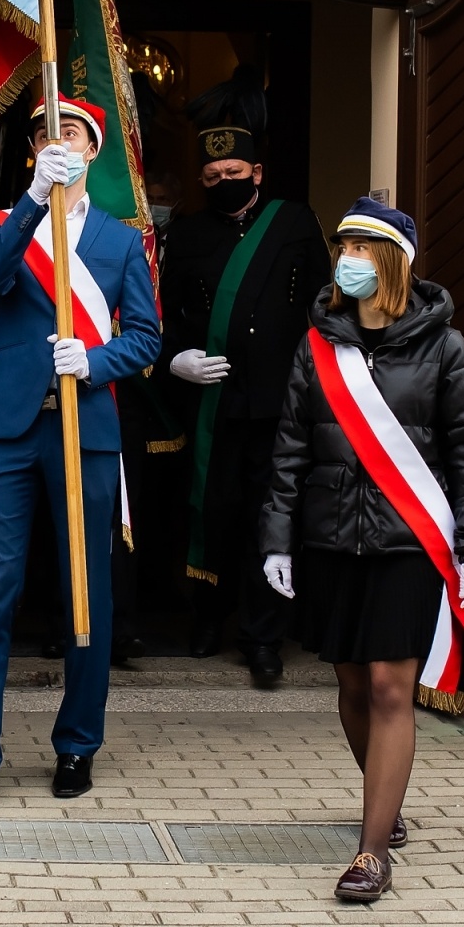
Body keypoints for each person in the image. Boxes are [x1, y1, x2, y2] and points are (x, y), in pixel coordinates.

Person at [259, 197, 464, 902]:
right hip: (331, 540)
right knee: (353, 687)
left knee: (394, 687)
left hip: (407, 546)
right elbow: (290, 452)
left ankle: (370, 853)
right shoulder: (318, 345)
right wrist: (277, 539)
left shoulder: (444, 348)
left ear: (390, 262)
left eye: (362, 250)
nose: (347, 261)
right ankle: (383, 806)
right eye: (343, 248)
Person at [0, 96, 160, 814]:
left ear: (93, 149)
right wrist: (35, 200)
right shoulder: (3, 223)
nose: (55, 142)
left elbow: (148, 338)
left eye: (68, 133)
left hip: (83, 426)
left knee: (85, 594)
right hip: (7, 428)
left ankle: (77, 746)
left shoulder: (121, 240)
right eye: (43, 134)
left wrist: (96, 361)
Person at [160, 125, 331, 683]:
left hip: (280, 400)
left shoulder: (293, 221)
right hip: (213, 400)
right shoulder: (186, 235)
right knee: (215, 511)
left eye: (233, 174)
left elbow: (322, 304)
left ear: (256, 173)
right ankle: (208, 617)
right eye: (211, 177)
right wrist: (175, 359)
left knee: (270, 517)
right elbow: (169, 313)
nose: (223, 183)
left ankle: (264, 638)